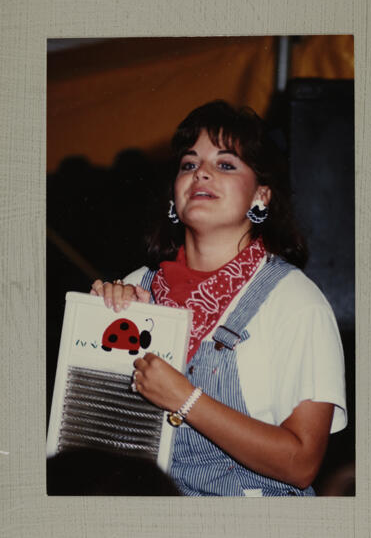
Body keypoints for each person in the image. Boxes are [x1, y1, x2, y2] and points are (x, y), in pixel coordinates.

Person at [90, 100, 347, 497]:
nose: (202, 173)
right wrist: (96, 322)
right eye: (189, 164)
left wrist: (185, 398)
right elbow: (95, 438)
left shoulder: (296, 301)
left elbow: (302, 464)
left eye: (225, 165)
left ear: (261, 195)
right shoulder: (136, 286)